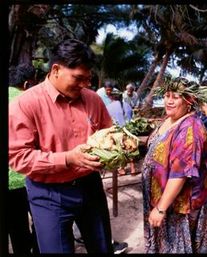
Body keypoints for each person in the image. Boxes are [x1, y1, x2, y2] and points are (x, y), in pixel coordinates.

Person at [8, 39, 114, 254]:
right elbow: (18, 157)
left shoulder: (93, 100)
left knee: (102, 248)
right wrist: (67, 158)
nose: (84, 84)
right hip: (48, 194)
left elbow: (109, 133)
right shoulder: (25, 103)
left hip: (90, 186)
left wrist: (119, 149)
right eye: (78, 78)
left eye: (88, 79)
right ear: (56, 69)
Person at [141, 77, 207, 253]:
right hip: (167, 201)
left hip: (179, 207)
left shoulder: (189, 128)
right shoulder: (171, 119)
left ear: (189, 100)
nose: (169, 100)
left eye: (175, 97)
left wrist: (161, 209)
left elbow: (180, 174)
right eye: (167, 95)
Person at [8, 63, 39, 254]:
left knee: (15, 227)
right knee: (41, 222)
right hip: (27, 176)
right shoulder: (28, 101)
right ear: (28, 84)